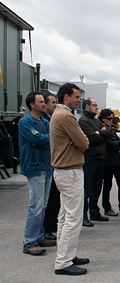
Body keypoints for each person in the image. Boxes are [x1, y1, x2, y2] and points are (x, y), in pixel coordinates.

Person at [50, 83, 89, 275]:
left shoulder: (59, 114)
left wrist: (78, 141)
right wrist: (79, 141)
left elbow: (80, 141)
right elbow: (84, 142)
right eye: (76, 97)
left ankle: (66, 254)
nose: (79, 100)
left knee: (65, 216)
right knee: (73, 217)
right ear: (66, 97)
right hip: (70, 170)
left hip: (64, 171)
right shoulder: (66, 116)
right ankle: (64, 261)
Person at [19, 92, 56, 256]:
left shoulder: (45, 121)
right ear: (32, 105)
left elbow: (47, 140)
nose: (44, 104)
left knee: (44, 203)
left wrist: (43, 139)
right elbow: (42, 139)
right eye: (41, 101)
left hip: (47, 166)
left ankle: (39, 236)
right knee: (36, 205)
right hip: (35, 167)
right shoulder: (25, 122)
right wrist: (44, 139)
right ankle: (30, 242)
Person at [79, 98, 112, 226]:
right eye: (94, 105)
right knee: (87, 188)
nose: (97, 108)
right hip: (90, 158)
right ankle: (83, 215)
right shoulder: (83, 121)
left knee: (97, 187)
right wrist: (101, 133)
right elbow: (92, 137)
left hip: (100, 158)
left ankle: (94, 212)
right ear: (87, 107)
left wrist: (102, 132)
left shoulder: (96, 121)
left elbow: (109, 132)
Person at [99, 109, 120, 217]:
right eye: (108, 118)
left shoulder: (111, 129)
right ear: (102, 119)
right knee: (107, 186)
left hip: (116, 160)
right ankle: (107, 207)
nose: (110, 120)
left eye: (112, 118)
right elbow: (109, 143)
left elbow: (119, 142)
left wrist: (117, 145)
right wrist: (117, 145)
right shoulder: (102, 129)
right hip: (107, 161)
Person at [42, 92, 60, 241]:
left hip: (53, 163)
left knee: (54, 197)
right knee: (44, 200)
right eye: (52, 102)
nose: (55, 105)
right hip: (44, 164)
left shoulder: (51, 119)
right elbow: (38, 138)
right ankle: (46, 228)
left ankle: (52, 225)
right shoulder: (40, 120)